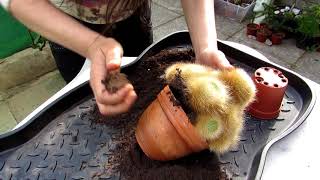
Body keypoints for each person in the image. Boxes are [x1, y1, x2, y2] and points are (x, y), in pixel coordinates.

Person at [1, 0, 233, 116]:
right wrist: (89, 44)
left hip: (133, 16)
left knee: (142, 88)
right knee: (88, 104)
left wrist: (204, 47)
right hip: (63, 23)